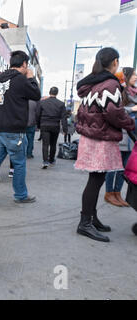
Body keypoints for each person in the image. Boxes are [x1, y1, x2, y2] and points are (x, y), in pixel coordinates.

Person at [75, 48, 135, 243]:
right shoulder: (110, 84)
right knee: (96, 180)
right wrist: (130, 123)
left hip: (91, 136)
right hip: (101, 137)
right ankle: (85, 223)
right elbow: (113, 113)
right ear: (115, 62)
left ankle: (91, 218)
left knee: (97, 179)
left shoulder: (92, 83)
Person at [0, 51, 41, 205]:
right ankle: (20, 194)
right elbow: (36, 94)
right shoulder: (20, 80)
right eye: (27, 65)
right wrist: (31, 77)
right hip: (13, 130)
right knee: (18, 162)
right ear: (24, 64)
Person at [104, 67, 137, 207]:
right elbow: (113, 109)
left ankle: (118, 193)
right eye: (134, 74)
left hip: (132, 134)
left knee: (124, 167)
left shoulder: (135, 93)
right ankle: (109, 193)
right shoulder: (120, 91)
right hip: (120, 134)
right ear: (128, 76)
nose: (136, 77)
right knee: (114, 166)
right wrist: (131, 109)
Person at [36, 87, 68, 169]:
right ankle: (51, 159)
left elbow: (38, 115)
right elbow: (64, 118)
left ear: (49, 92)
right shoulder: (61, 104)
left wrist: (38, 125)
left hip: (44, 125)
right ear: (57, 93)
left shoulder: (42, 103)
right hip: (55, 126)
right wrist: (65, 129)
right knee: (53, 144)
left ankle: (45, 161)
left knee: (45, 144)